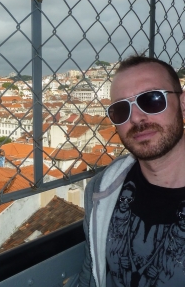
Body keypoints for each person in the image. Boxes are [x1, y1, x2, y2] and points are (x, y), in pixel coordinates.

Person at [78, 55, 185, 287]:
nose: (136, 117)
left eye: (152, 99)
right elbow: (90, 277)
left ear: (183, 104)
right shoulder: (101, 190)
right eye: (120, 110)